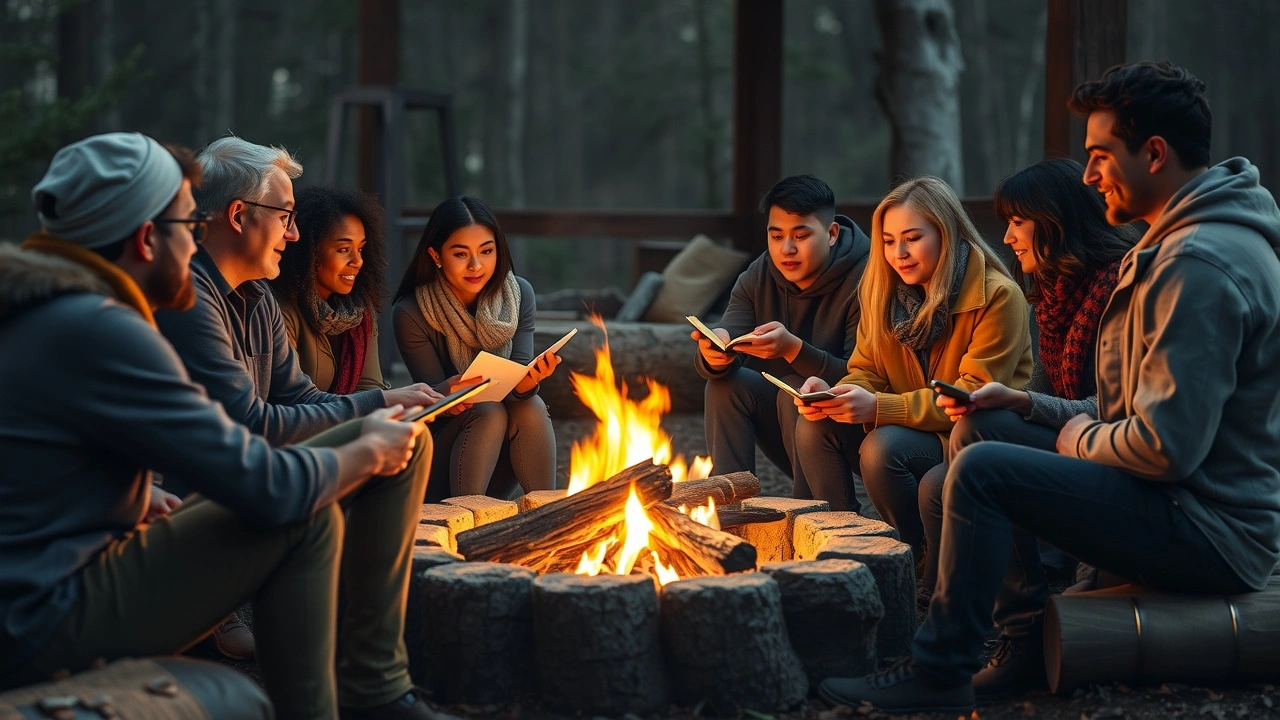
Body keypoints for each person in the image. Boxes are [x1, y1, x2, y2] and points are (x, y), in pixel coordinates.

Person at [819, 60, 1280, 716]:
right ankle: (1022, 638)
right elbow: (1133, 408)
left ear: (1154, 153)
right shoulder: (1176, 249)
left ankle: (942, 668)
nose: (1088, 176)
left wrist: (1075, 434)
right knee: (979, 426)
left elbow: (1165, 449)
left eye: (1099, 155)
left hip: (1208, 528)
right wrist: (1028, 404)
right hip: (1176, 498)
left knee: (981, 471)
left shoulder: (1197, 266)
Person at [1, 132, 438, 720]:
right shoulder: (103, 328)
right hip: (40, 619)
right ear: (146, 238)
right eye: (189, 224)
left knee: (320, 489)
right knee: (304, 516)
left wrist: (130, 499)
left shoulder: (56, 314)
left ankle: (370, 691)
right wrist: (367, 451)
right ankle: (363, 698)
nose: (197, 239)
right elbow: (266, 481)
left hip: (46, 586)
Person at [153, 135, 442, 663]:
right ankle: (365, 662)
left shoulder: (257, 295)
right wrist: (376, 408)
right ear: (239, 215)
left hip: (249, 475)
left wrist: (393, 406)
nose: (294, 232)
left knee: (403, 437)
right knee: (391, 441)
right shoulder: (188, 298)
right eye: (285, 214)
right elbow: (249, 423)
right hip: (197, 502)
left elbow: (300, 396)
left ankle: (363, 641)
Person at [917, 158, 1137, 602]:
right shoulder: (1054, 297)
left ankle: (1014, 611)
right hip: (1070, 438)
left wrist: (1018, 404)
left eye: (1018, 221)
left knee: (975, 440)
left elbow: (1116, 409)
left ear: (1057, 221)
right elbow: (1042, 390)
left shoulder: (1117, 290)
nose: (1007, 237)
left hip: (1112, 453)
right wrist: (997, 399)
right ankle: (958, 595)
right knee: (938, 480)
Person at [792, 176, 1032, 552]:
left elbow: (972, 397)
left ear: (946, 234)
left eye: (912, 238)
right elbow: (867, 369)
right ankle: (841, 544)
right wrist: (835, 393)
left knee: (882, 447)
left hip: (969, 439)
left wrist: (879, 407)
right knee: (814, 424)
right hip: (910, 427)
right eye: (888, 241)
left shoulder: (998, 296)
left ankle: (912, 551)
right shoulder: (882, 292)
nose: (898, 252)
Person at [693, 174, 870, 491]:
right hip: (788, 421)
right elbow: (731, 328)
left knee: (795, 388)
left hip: (858, 426)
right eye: (776, 237)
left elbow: (863, 376)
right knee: (725, 385)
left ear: (831, 234)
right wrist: (715, 352)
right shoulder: (758, 274)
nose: (786, 249)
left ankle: (817, 512)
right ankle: (730, 503)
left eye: (800, 236)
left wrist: (793, 350)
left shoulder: (868, 278)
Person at [392, 195, 559, 499]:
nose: (476, 265)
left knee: (529, 404)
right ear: (436, 255)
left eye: (486, 251)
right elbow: (430, 404)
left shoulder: (519, 294)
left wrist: (528, 381)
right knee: (489, 410)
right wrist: (447, 390)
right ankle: (463, 522)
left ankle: (551, 516)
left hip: (502, 454)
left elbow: (517, 379)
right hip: (444, 455)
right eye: (460, 254)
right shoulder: (412, 312)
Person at [271, 186, 390, 394]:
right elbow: (293, 400)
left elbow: (369, 388)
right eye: (344, 250)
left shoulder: (358, 311)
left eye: (360, 248)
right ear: (310, 252)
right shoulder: (279, 309)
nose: (358, 261)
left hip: (356, 422)